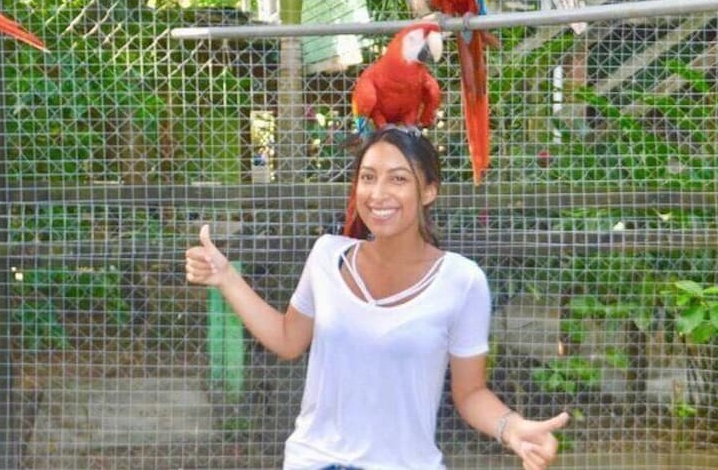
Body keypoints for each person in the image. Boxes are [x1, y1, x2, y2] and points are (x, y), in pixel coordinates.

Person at [185, 126, 569, 470]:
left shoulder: (462, 281)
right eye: (368, 178)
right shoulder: (326, 256)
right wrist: (226, 277)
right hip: (314, 460)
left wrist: (512, 427)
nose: (378, 194)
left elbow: (470, 393)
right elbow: (288, 340)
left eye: (398, 179)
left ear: (429, 190)